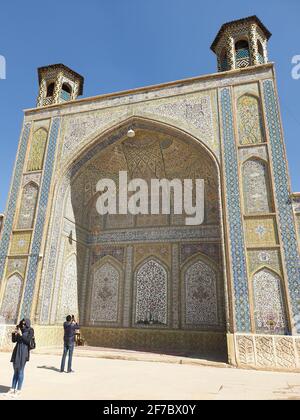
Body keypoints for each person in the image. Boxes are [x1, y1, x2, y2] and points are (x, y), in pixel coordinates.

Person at [8, 318, 34, 398]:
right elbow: (14, 340)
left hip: (24, 351)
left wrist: (20, 335)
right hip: (17, 350)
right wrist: (14, 334)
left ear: (27, 323)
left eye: (24, 324)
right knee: (15, 370)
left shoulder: (30, 330)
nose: (23, 325)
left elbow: (27, 341)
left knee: (20, 370)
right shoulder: (19, 328)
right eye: (22, 323)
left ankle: (18, 390)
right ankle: (12, 388)